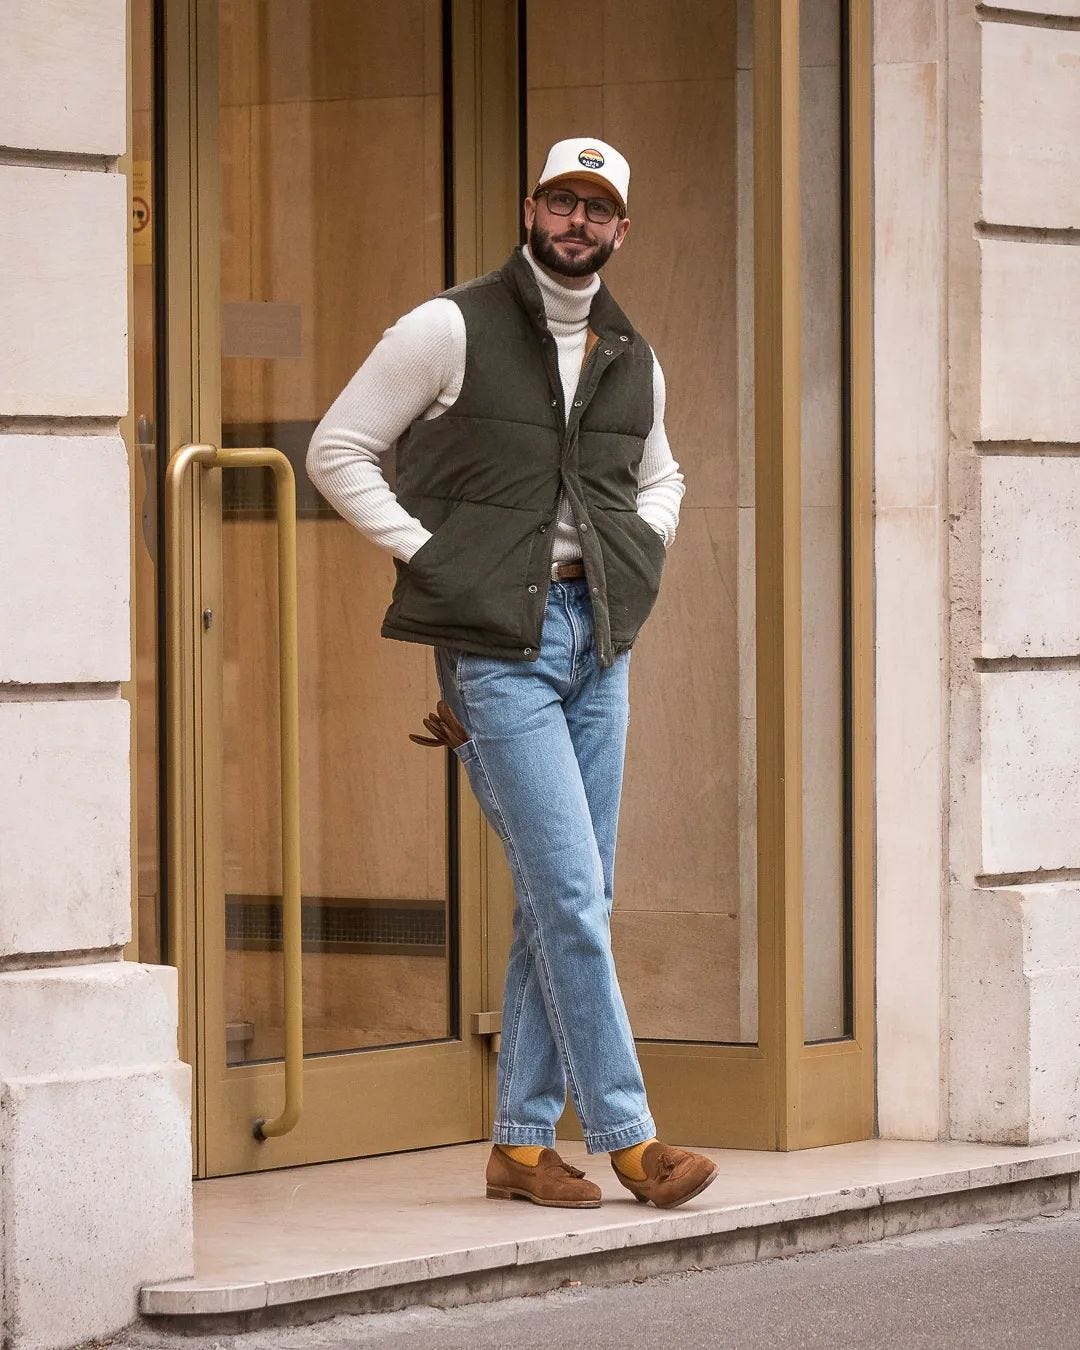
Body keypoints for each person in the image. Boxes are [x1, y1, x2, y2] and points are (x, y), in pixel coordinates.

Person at [307, 137, 717, 1210]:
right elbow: (339, 448)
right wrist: (431, 556)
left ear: (622, 229)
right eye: (562, 201)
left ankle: (522, 1146)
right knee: (572, 893)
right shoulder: (447, 326)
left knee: (570, 897)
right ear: (529, 207)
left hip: (598, 636)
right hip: (498, 647)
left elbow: (663, 474)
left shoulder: (631, 350)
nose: (577, 221)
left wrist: (642, 549)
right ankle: (632, 1139)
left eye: (599, 208)